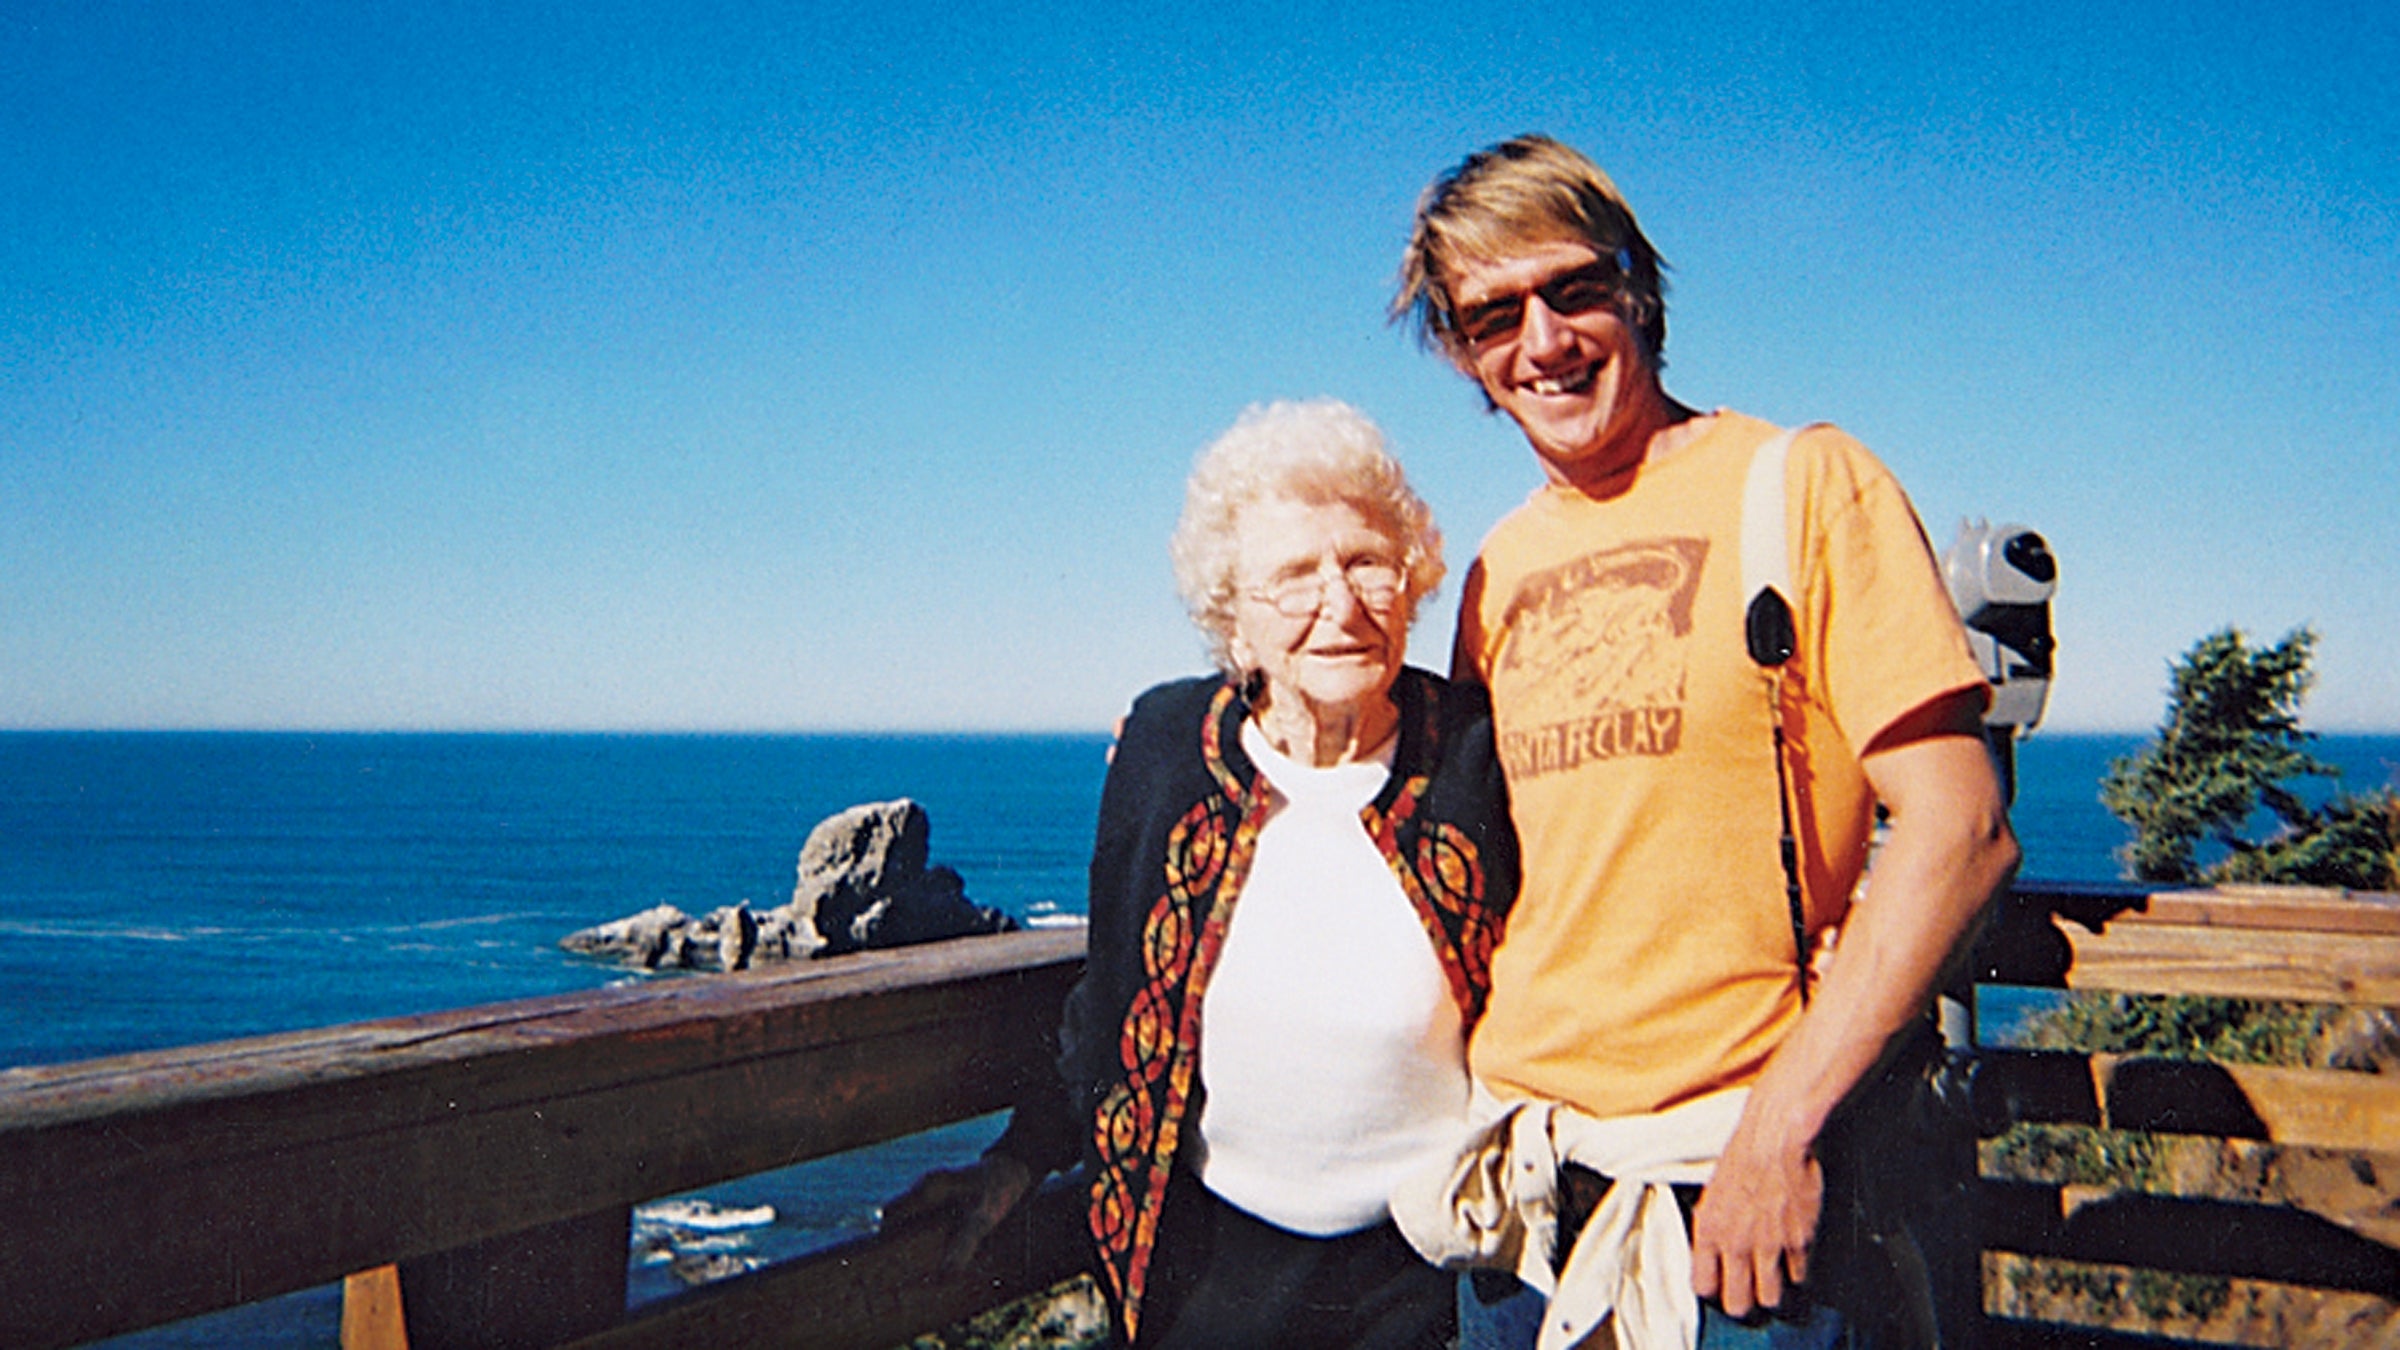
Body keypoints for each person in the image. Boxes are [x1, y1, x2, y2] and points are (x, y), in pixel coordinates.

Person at [1386, 135, 2020, 1349]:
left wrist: (1781, 1131)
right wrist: (1211, 726)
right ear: (1463, 354)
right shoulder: (1497, 570)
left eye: (1575, 289)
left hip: (1740, 1190)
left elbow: (1963, 830)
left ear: (1639, 289)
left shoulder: (1802, 488)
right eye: (1492, 317)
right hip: (1525, 1193)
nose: (1545, 343)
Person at [888, 398, 1518, 1349]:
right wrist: (1018, 1161)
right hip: (1208, 1276)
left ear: (1413, 580)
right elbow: (1113, 996)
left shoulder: (1476, 755)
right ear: (1234, 620)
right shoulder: (1164, 749)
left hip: (1435, 1281)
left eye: (1367, 564)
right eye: (1294, 578)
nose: (1339, 608)